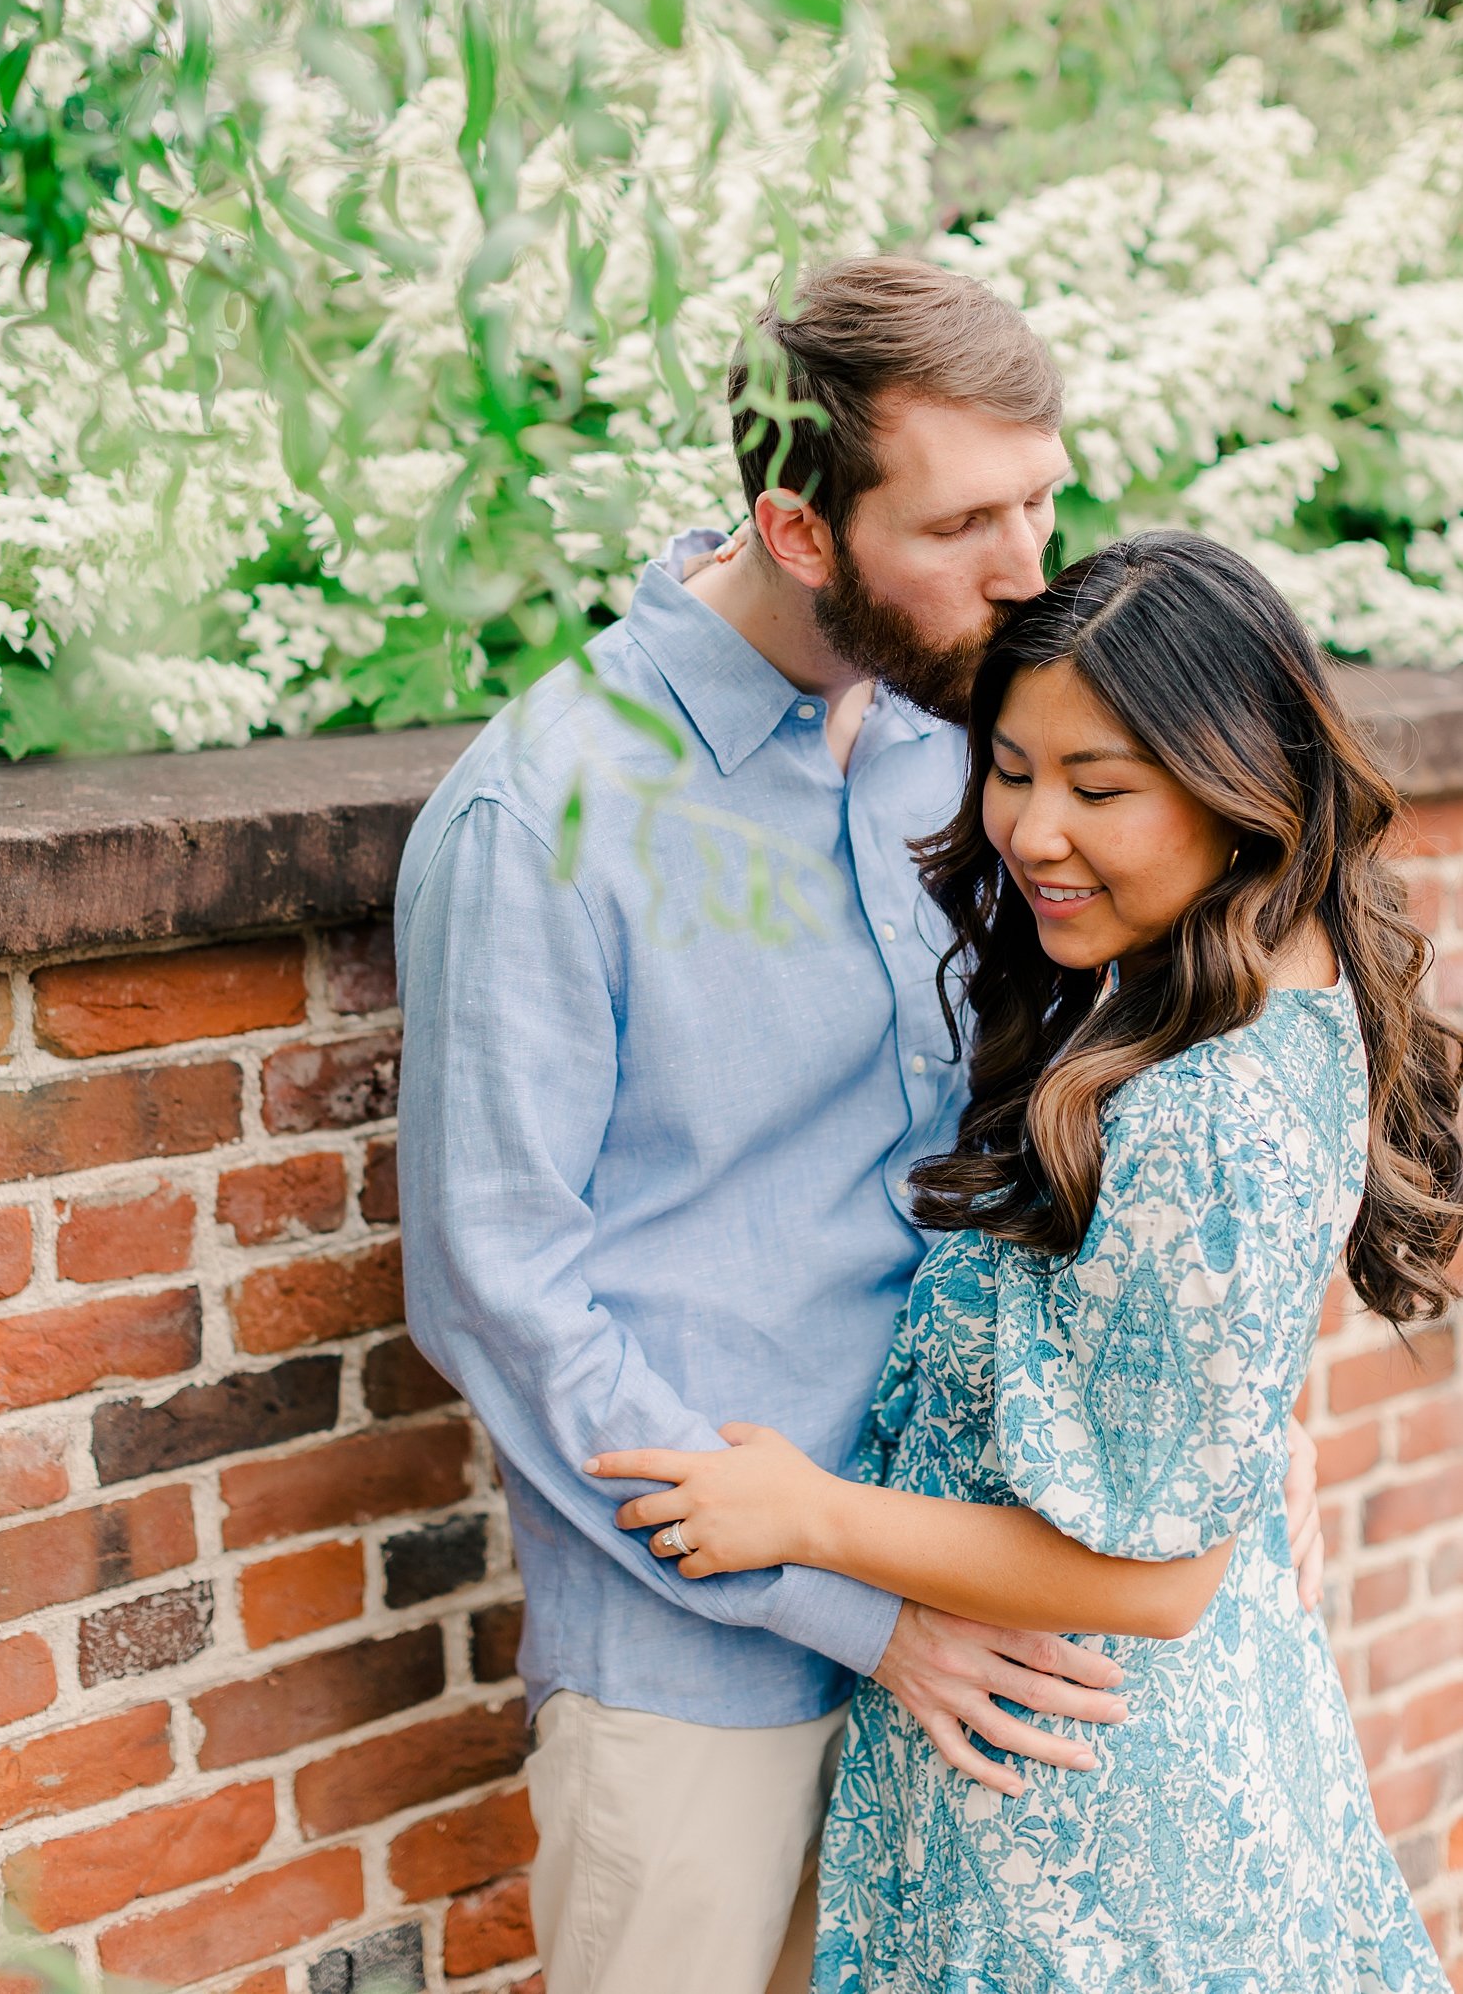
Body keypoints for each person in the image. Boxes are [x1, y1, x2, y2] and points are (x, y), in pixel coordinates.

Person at [394, 264, 1323, 1994]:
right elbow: (498, 1296)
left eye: (1042, 500)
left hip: (988, 1620)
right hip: (706, 1675)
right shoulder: (541, 816)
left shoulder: (975, 745)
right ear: (798, 529)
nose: (1030, 572)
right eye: (966, 521)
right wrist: (867, 1613)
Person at [592, 532, 1461, 1992]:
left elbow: (1161, 1575)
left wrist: (804, 1513)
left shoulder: (1206, 1111)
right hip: (1091, 1767)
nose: (1031, 829)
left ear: (1238, 780)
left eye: (1100, 788)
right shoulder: (1234, 981)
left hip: (1094, 1820)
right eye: (1009, 767)